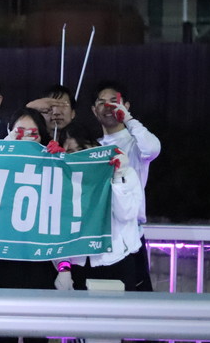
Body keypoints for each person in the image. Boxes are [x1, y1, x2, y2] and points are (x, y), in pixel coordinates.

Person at [0, 107, 57, 343]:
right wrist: (5, 149)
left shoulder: (53, 166)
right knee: (2, 332)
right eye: (19, 132)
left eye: (32, 133)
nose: (26, 138)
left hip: (39, 262)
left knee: (36, 333)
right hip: (3, 259)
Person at [53, 122, 144, 292]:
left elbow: (126, 214)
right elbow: (57, 231)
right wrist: (63, 267)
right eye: (71, 152)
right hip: (78, 266)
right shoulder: (61, 180)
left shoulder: (126, 173)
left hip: (117, 260)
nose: (79, 156)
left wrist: (117, 176)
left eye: (83, 149)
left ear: (96, 146)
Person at [90, 81, 161, 291]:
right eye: (102, 102)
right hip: (98, 237)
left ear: (126, 106)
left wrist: (128, 119)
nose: (108, 107)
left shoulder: (135, 143)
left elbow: (153, 148)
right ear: (94, 110)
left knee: (134, 300)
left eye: (114, 101)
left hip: (130, 236)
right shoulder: (92, 147)